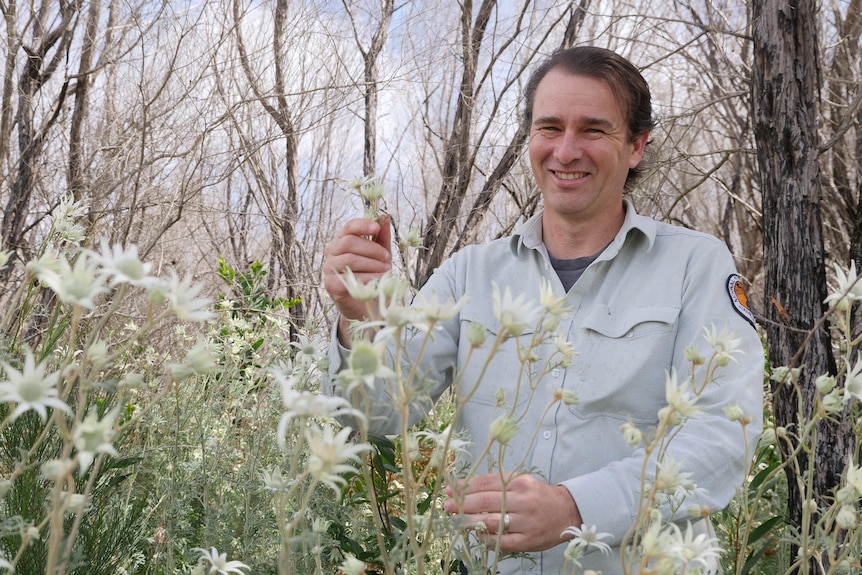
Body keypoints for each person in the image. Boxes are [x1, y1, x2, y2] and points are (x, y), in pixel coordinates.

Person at [322, 46, 764, 574]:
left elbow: (722, 439)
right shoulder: (470, 273)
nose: (566, 150)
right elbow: (380, 416)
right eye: (549, 127)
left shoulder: (697, 265)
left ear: (637, 145)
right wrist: (359, 319)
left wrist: (576, 509)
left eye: (594, 130)